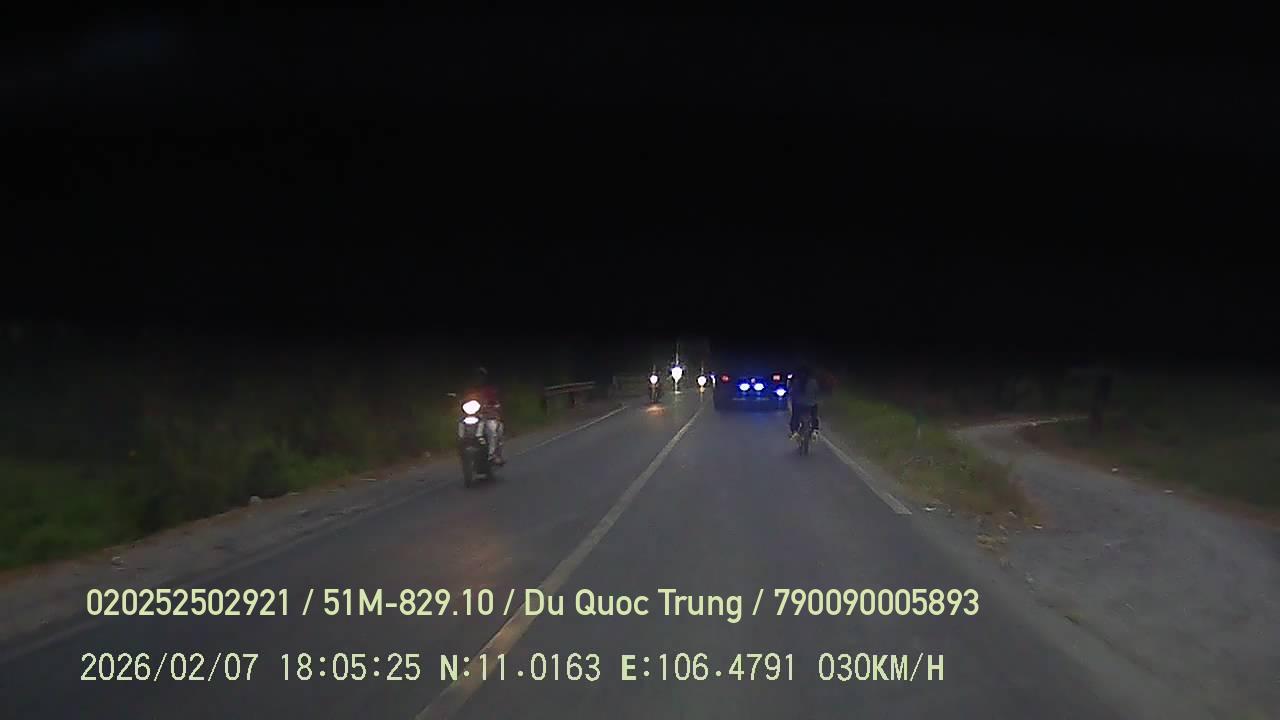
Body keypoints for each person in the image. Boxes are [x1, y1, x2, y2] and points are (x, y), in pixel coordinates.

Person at [463, 366, 505, 465]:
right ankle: (462, 445)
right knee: (462, 424)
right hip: (473, 416)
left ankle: (491, 455)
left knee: (492, 429)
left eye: (480, 376)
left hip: (488, 416)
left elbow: (496, 401)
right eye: (476, 376)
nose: (478, 378)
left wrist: (494, 406)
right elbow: (463, 401)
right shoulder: (469, 390)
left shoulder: (490, 389)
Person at [788, 364, 822, 440]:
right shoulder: (813, 381)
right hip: (811, 404)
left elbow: (791, 392)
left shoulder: (796, 381)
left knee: (795, 416)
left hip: (799, 404)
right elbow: (817, 392)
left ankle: (794, 431)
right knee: (814, 415)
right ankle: (815, 430)